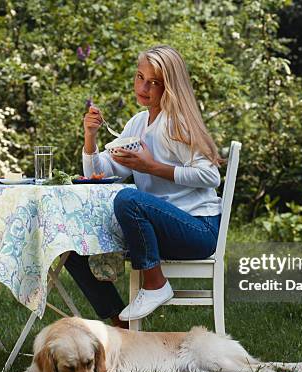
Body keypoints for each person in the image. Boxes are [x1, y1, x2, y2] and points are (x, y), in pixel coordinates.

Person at [65, 45, 222, 328]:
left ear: (170, 87)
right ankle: (120, 326)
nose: (144, 87)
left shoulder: (178, 123)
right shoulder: (138, 123)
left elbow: (211, 176)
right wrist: (90, 136)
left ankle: (155, 282)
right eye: (140, 77)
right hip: (155, 233)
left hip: (199, 230)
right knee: (73, 246)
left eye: (154, 82)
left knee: (129, 199)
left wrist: (152, 167)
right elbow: (99, 175)